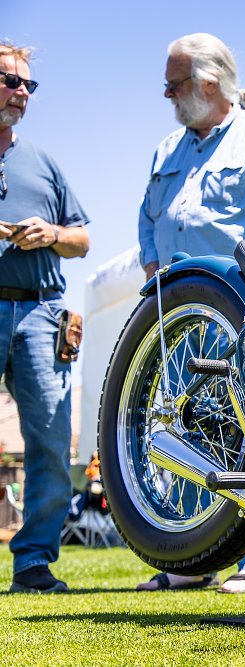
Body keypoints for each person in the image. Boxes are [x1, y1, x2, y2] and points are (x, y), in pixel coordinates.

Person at [135, 33, 245, 593]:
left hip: (243, 310)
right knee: (184, 430)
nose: (167, 94)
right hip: (178, 318)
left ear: (209, 82)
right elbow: (147, 219)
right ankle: (191, 560)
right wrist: (149, 269)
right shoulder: (168, 148)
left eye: (175, 83)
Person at [0, 41, 91, 593]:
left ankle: (33, 562)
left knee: (52, 444)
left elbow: (82, 238)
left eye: (28, 85)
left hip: (41, 314)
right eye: (10, 80)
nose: (21, 92)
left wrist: (52, 235)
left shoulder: (44, 162)